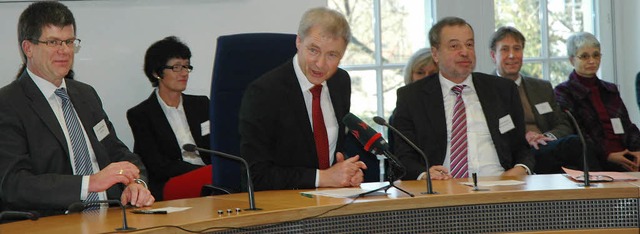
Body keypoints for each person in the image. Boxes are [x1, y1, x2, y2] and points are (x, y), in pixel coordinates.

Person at [0, 1, 153, 217]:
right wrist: (89, 183)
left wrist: (136, 183)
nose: (64, 51)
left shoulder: (86, 95)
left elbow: (118, 152)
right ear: (28, 48)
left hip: (111, 218)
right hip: (50, 223)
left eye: (69, 41)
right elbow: (14, 184)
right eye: (53, 42)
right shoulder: (8, 103)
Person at [239, 7, 367, 190]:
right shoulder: (264, 93)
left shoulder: (340, 82)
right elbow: (255, 174)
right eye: (313, 50)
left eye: (332, 55)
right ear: (298, 41)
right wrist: (322, 178)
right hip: (283, 206)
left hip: (331, 202)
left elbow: (327, 150)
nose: (321, 64)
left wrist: (346, 171)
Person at [392, 17, 534, 180]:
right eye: (454, 46)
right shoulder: (412, 97)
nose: (465, 52)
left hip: (500, 186)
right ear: (435, 54)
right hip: (443, 189)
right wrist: (425, 175)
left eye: (469, 44)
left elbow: (521, 148)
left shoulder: (503, 90)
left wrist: (521, 169)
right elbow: (403, 157)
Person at [489, 26, 600, 173]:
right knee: (574, 146)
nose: (512, 55)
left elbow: (564, 125)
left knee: (582, 143)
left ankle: (599, 190)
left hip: (546, 148)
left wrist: (545, 137)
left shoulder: (541, 87)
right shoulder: (486, 90)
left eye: (517, 49)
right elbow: (490, 131)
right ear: (493, 55)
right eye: (505, 50)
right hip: (515, 154)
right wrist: (524, 137)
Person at [127, 36, 211, 201]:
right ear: (157, 72)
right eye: (177, 67)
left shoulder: (202, 104)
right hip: (170, 183)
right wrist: (202, 172)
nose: (184, 73)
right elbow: (157, 165)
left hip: (209, 177)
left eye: (187, 66)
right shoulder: (141, 114)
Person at [554, 32, 640, 172]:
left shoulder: (609, 89)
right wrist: (608, 155)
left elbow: (628, 126)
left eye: (596, 55)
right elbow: (578, 133)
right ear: (571, 60)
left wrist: (638, 150)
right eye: (584, 56)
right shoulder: (563, 92)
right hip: (596, 158)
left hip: (627, 153)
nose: (592, 61)